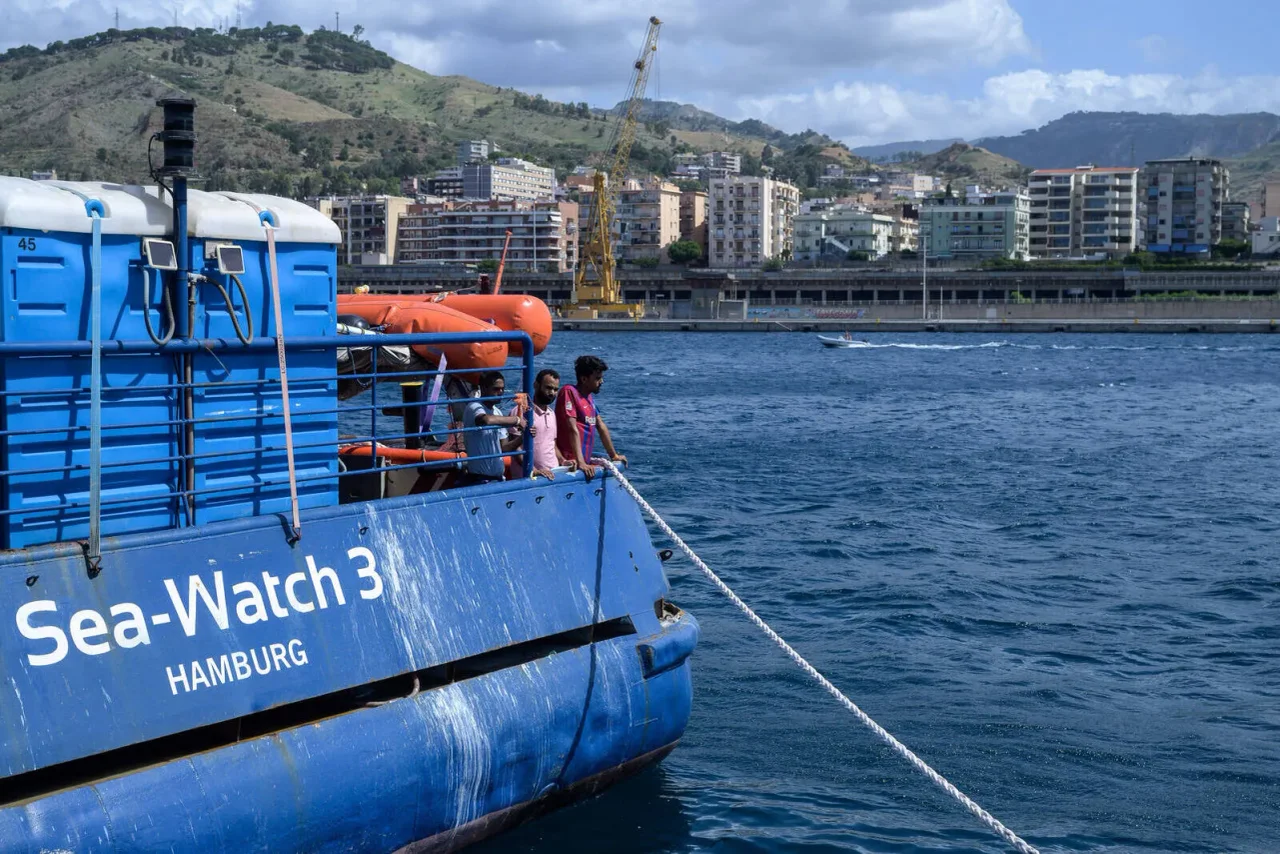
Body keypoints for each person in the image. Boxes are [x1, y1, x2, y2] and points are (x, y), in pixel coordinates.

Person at [555, 355, 627, 481]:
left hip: (584, 463)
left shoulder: (589, 398)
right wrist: (581, 462)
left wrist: (614, 455)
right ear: (584, 379)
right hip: (571, 464)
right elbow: (572, 428)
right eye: (598, 378)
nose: (601, 382)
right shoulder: (569, 392)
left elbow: (600, 426)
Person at [460, 371, 524, 485]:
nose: (501, 392)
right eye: (496, 389)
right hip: (479, 479)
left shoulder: (497, 413)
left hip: (497, 478)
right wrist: (517, 420)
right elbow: (486, 420)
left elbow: (504, 448)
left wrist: (523, 438)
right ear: (483, 388)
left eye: (502, 389)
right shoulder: (474, 406)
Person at [529, 368, 572, 479]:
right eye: (548, 388)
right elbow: (517, 449)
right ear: (536, 385)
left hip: (554, 474)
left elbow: (552, 444)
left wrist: (563, 461)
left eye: (555, 389)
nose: (552, 393)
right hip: (534, 478)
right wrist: (535, 470)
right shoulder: (523, 413)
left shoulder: (551, 414)